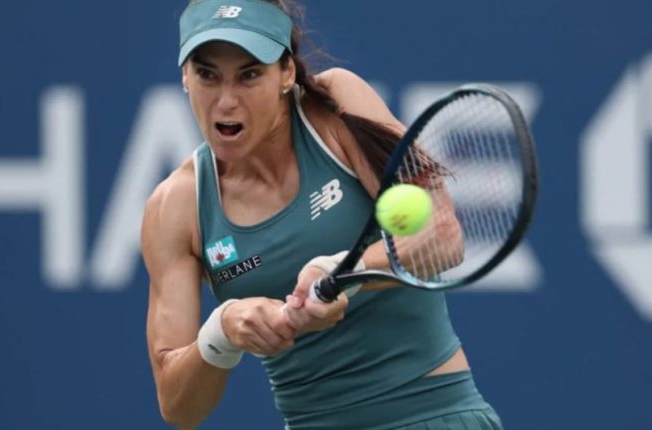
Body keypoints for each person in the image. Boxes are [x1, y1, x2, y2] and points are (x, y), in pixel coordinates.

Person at [142, 0, 503, 428]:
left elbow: (442, 236)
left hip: (436, 416)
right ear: (185, 77)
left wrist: (342, 272)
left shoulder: (335, 106)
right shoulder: (175, 206)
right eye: (207, 75)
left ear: (286, 73)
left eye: (249, 75)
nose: (226, 101)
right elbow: (178, 407)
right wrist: (222, 331)